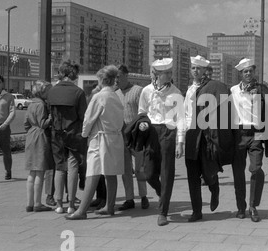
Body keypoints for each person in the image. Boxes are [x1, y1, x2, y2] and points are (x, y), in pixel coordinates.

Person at [66, 66, 125, 220]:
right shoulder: (115, 96)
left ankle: (82, 210)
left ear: (103, 80)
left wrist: (84, 135)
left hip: (100, 138)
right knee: (111, 173)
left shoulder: (99, 96)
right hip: (114, 137)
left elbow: (88, 118)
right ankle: (109, 206)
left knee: (92, 173)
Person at [182, 55, 234, 222]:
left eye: (198, 68)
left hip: (206, 136)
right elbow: (185, 114)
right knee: (192, 174)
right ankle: (196, 210)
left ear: (205, 70)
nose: (195, 71)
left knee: (208, 169)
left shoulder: (213, 87)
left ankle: (214, 188)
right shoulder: (190, 89)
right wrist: (181, 139)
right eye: (193, 68)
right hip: (191, 135)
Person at [230, 58, 268, 222]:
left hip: (257, 134)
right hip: (238, 134)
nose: (248, 74)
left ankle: (253, 206)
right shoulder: (232, 90)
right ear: (241, 73)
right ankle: (240, 207)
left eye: (251, 71)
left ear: (254, 72)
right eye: (245, 71)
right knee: (238, 173)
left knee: (256, 169)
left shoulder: (262, 90)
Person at [138, 58, 185, 226]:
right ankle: (160, 191)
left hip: (168, 133)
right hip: (151, 132)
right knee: (148, 173)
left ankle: (163, 211)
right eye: (167, 73)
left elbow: (180, 118)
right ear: (158, 75)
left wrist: (180, 142)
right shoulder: (146, 91)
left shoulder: (176, 93)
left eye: (171, 72)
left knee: (166, 173)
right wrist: (142, 123)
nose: (171, 75)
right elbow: (142, 112)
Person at [47, 61, 87, 214]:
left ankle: (58, 204)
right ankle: (71, 202)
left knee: (59, 168)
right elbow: (83, 116)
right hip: (73, 134)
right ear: (73, 74)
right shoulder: (78, 92)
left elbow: (50, 112)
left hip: (56, 134)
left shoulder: (51, 91)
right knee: (72, 168)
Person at [115, 65, 150, 211]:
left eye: (118, 76)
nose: (116, 79)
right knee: (125, 170)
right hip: (121, 136)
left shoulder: (137, 91)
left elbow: (145, 113)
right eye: (114, 77)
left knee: (139, 168)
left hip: (136, 135)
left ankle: (143, 196)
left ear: (125, 75)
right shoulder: (115, 94)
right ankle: (129, 198)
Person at [24, 80, 54, 212]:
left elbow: (26, 123)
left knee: (32, 172)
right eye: (47, 90)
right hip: (40, 137)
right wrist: (51, 118)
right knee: (40, 171)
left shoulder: (31, 104)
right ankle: (37, 203)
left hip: (31, 135)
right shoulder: (42, 105)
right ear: (42, 91)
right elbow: (43, 124)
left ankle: (29, 203)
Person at [0, 75, 15, 180]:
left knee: (6, 151)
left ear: (3, 84)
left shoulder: (8, 96)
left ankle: (8, 171)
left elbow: (12, 112)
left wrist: (6, 124)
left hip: (4, 127)